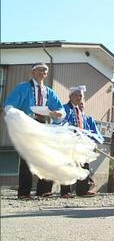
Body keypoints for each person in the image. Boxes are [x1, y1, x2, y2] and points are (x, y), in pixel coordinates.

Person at [4, 62, 65, 199]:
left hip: (43, 125)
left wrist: (58, 113)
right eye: (39, 70)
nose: (42, 72)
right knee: (27, 158)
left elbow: (60, 109)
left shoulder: (49, 91)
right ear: (33, 72)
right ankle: (24, 192)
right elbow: (9, 105)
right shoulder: (23, 88)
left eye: (44, 70)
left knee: (46, 156)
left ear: (47, 73)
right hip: (28, 124)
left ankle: (44, 190)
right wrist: (17, 116)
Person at [62, 86, 103, 197]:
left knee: (84, 165)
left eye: (80, 96)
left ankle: (83, 190)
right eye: (76, 95)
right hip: (69, 142)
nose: (78, 98)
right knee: (68, 166)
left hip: (81, 144)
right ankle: (65, 191)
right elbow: (62, 123)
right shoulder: (65, 108)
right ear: (70, 96)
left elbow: (86, 128)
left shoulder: (80, 112)